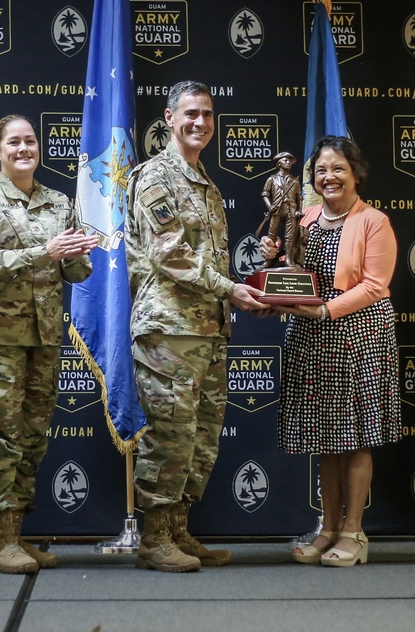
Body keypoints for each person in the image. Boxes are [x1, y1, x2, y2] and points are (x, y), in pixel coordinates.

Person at [125, 81, 268, 573]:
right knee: (170, 434)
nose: (200, 122)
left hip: (206, 329)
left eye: (207, 114)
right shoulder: (156, 177)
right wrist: (231, 289)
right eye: (190, 113)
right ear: (169, 118)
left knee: (201, 436)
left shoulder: (204, 179)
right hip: (169, 329)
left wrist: (237, 293)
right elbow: (170, 256)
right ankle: (154, 537)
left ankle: (180, 531)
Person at [0, 114, 97, 574]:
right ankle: (0, 542)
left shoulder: (59, 202)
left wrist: (82, 256)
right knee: (1, 438)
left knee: (32, 439)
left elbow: (73, 272)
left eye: (31, 141)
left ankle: (16, 533)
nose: (24, 149)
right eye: (14, 143)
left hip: (43, 338)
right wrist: (46, 252)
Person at [260, 135, 402, 568]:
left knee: (356, 437)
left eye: (338, 168)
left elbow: (375, 286)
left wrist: (325, 311)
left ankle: (354, 532)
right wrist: (273, 260)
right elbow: (293, 277)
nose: (329, 176)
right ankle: (328, 528)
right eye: (321, 170)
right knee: (326, 438)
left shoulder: (374, 221)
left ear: (356, 174)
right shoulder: (301, 218)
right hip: (312, 335)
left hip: (359, 334)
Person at [260, 151, 303, 266]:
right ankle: (268, 261)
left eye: (289, 161)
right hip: (277, 209)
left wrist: (299, 210)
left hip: (291, 210)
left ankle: (288, 259)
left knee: (290, 236)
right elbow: (265, 194)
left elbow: (299, 197)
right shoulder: (272, 179)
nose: (288, 162)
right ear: (279, 164)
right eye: (285, 160)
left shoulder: (295, 180)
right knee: (272, 235)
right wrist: (270, 206)